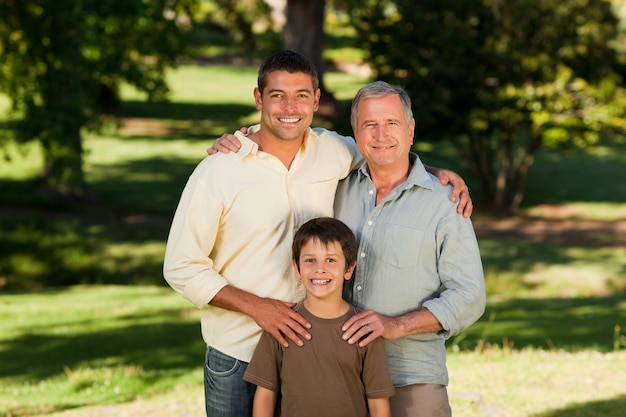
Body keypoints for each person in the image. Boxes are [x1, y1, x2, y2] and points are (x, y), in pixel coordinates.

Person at [164, 50, 471, 417]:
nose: (290, 106)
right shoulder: (219, 171)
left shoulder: (335, 150)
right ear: (259, 99)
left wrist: (436, 173)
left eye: (302, 95)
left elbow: (385, 151)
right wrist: (257, 308)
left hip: (312, 358)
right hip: (240, 355)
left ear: (316, 100)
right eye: (277, 95)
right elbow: (181, 267)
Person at [335, 81, 486, 417]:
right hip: (339, 375)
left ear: (411, 129)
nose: (380, 134)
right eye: (369, 125)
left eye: (392, 123)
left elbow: (469, 295)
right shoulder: (335, 186)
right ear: (355, 135)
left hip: (411, 377)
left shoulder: (445, 203)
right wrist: (242, 138)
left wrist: (396, 326)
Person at [244, 217, 395, 417]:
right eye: (310, 260)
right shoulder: (281, 324)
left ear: (349, 269)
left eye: (331, 260)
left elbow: (378, 404)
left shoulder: (364, 328)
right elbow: (264, 397)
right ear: (297, 268)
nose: (319, 268)